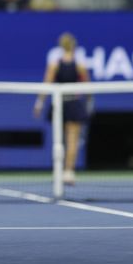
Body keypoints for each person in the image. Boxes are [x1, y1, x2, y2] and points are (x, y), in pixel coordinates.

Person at [33, 33, 91, 185]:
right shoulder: (79, 64)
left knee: (60, 140)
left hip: (62, 105)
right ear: (73, 45)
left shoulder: (55, 64)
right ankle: (68, 172)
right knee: (71, 141)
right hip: (69, 104)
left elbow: (46, 84)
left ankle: (63, 172)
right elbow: (88, 87)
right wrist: (90, 103)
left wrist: (39, 103)